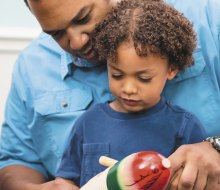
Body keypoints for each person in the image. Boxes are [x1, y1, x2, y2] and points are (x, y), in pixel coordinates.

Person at [0, 0, 219, 189]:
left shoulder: (208, 18)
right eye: (56, 34)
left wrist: (216, 147)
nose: (77, 42)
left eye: (83, 18)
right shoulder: (32, 66)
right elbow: (15, 160)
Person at [55, 0, 207, 188]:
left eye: (143, 78)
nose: (128, 88)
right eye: (117, 75)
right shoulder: (88, 122)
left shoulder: (184, 127)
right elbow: (66, 178)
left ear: (172, 70)